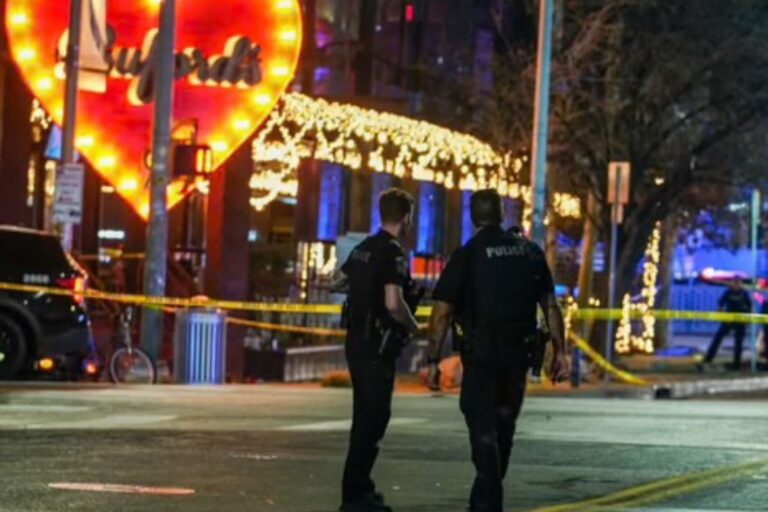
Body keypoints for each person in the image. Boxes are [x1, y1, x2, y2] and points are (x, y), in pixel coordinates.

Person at [425, 190, 570, 512]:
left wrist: (433, 359)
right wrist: (561, 352)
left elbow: (442, 312)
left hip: (482, 357)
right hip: (518, 357)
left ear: (473, 216)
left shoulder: (469, 254)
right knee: (504, 429)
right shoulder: (529, 252)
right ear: (501, 213)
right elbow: (550, 305)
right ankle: (483, 501)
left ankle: (488, 503)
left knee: (482, 427)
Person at [334, 188, 419, 512]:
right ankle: (355, 495)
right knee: (374, 417)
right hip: (378, 345)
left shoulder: (364, 248)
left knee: (364, 416)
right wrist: (413, 326)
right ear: (406, 218)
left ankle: (359, 488)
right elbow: (394, 303)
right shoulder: (393, 253)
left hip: (356, 340)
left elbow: (335, 281)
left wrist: (361, 287)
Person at [702, 279, 751, 370]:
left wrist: (747, 319)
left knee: (738, 343)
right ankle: (708, 359)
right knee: (718, 338)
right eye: (734, 283)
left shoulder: (744, 293)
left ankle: (737, 364)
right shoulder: (728, 292)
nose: (735, 286)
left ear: (740, 285)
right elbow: (720, 304)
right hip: (728, 320)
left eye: (738, 284)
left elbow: (750, 307)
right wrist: (720, 315)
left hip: (740, 321)